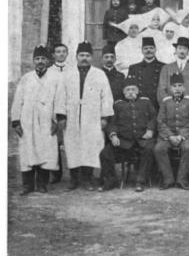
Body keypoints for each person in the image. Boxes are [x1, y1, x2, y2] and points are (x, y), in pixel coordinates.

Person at [55, 41, 114, 191]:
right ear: (76, 56)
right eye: (81, 55)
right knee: (72, 146)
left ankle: (87, 179)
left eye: (87, 55)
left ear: (92, 57)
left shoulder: (99, 74)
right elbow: (60, 96)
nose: (84, 58)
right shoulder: (67, 74)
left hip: (92, 118)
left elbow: (106, 97)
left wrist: (104, 117)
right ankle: (74, 179)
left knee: (90, 147)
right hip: (72, 117)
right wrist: (61, 116)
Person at [10, 45, 62, 195]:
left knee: (45, 151)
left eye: (43, 58)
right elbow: (18, 101)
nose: (40, 61)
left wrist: (57, 119)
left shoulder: (55, 78)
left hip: (47, 120)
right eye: (37, 59)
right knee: (28, 151)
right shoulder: (26, 78)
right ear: (34, 61)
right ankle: (28, 185)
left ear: (48, 60)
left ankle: (42, 184)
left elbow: (59, 100)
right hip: (28, 120)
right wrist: (16, 121)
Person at [98, 78, 156, 192]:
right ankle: (110, 180)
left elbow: (153, 118)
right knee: (105, 153)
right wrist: (113, 135)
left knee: (149, 150)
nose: (130, 92)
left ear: (137, 91)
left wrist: (150, 130)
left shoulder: (146, 102)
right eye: (128, 90)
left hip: (142, 140)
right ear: (123, 92)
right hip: (124, 142)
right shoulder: (118, 105)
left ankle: (140, 181)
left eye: (133, 89)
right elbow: (112, 123)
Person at [154, 73, 189, 190]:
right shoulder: (165, 102)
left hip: (188, 135)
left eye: (180, 85)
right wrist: (170, 136)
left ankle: (182, 179)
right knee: (159, 148)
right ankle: (168, 179)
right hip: (168, 136)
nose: (177, 89)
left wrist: (181, 136)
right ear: (170, 88)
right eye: (174, 86)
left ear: (184, 88)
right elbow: (160, 121)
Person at [47, 43, 69, 184]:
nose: (61, 54)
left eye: (63, 51)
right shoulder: (49, 72)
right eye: (58, 51)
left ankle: (76, 173)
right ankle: (56, 172)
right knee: (54, 141)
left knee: (71, 140)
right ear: (53, 55)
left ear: (67, 54)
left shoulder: (73, 70)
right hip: (54, 109)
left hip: (70, 109)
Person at [158, 37, 189, 105]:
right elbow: (162, 90)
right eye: (180, 48)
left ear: (188, 51)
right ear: (176, 50)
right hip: (170, 106)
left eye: (185, 49)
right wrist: (167, 105)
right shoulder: (166, 68)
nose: (182, 51)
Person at [127, 37, 165, 111]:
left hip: (158, 104)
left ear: (155, 49)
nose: (148, 50)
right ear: (142, 50)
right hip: (140, 105)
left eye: (151, 48)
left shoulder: (163, 67)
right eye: (146, 48)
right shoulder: (134, 68)